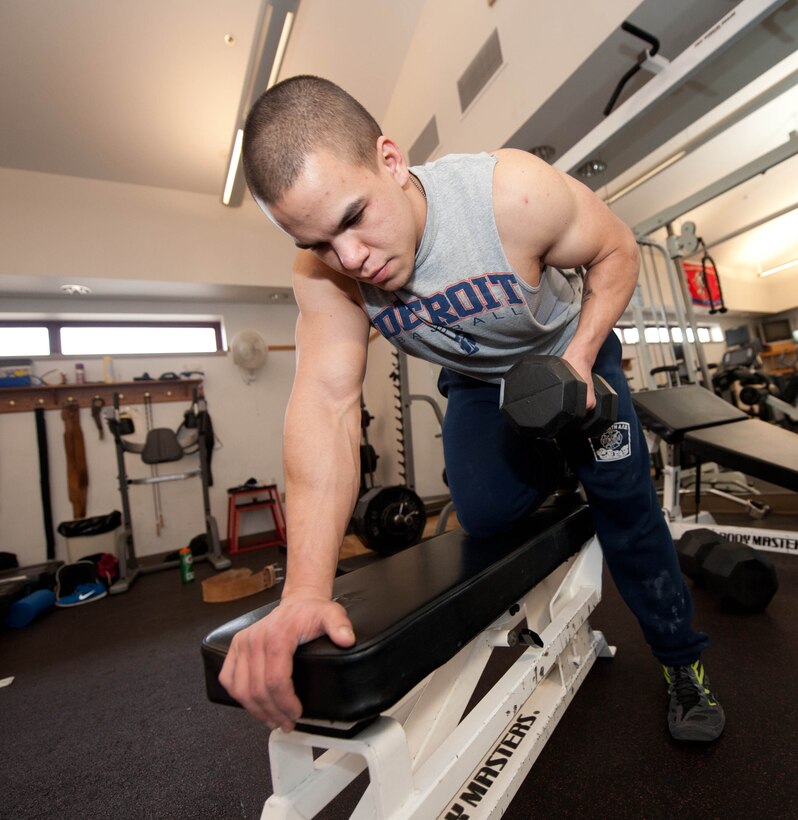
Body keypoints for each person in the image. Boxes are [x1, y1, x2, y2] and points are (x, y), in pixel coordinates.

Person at [218, 75, 724, 743]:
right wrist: (304, 593)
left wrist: (579, 359)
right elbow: (326, 405)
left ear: (392, 162)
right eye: (315, 243)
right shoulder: (324, 279)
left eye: (350, 219)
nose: (348, 258)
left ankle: (682, 664)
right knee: (484, 513)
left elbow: (616, 251)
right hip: (481, 381)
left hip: (571, 356)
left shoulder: (509, 196)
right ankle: (558, 464)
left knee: (625, 507)